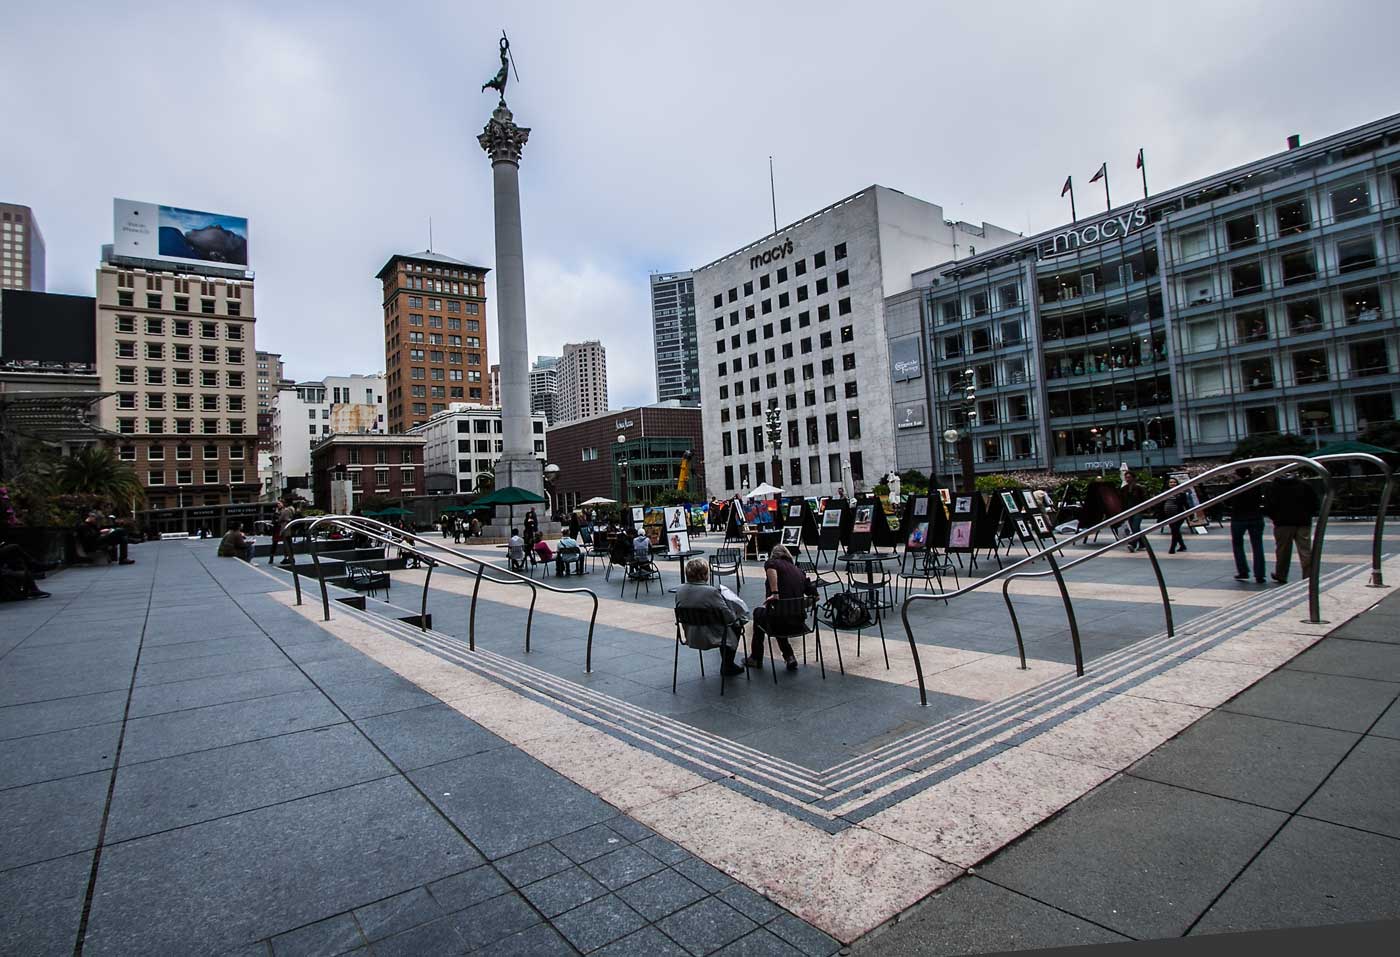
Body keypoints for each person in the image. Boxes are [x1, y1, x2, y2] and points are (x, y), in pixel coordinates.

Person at [746, 544, 817, 672]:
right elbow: (815, 596)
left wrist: (775, 593)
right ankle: (789, 656)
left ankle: (756, 658)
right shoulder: (799, 571)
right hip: (798, 623)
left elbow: (770, 567)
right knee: (777, 614)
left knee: (759, 613)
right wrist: (798, 604)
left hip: (778, 622)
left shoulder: (773, 563)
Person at [675, 558, 748, 676]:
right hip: (711, 635)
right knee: (736, 625)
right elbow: (728, 617)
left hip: (691, 635)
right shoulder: (711, 592)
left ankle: (727, 665)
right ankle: (727, 665)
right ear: (704, 574)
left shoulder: (680, 590)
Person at [1264, 472, 1319, 583]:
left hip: (1282, 523)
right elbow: (1314, 503)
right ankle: (1308, 575)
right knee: (1305, 550)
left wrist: (1275, 517)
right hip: (1303, 521)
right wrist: (1308, 514)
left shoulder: (1273, 487)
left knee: (1283, 551)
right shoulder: (1304, 485)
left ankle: (1281, 574)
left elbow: (1269, 506)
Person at [1227, 467, 1267, 583]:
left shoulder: (1234, 485)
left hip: (1238, 517)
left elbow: (1227, 501)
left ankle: (1243, 571)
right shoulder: (1256, 484)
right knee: (1257, 545)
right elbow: (1261, 499)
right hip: (1255, 516)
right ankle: (1260, 574)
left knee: (1238, 544)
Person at [1121, 471, 1149, 552]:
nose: (1127, 479)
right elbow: (1122, 501)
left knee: (1135, 527)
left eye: (1129, 477)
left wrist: (1145, 509)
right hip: (1128, 511)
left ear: (1133, 478)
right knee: (1135, 528)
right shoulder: (1124, 489)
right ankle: (1142, 543)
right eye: (1126, 477)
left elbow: (1144, 499)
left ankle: (1133, 544)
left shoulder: (1139, 488)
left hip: (1138, 510)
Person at [1165, 478, 1191, 554]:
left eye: (1174, 482)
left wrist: (1191, 514)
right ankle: (1182, 545)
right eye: (1171, 482)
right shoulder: (1165, 493)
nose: (1172, 484)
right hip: (1169, 515)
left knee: (1174, 530)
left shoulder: (1181, 493)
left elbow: (1186, 504)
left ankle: (1172, 547)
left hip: (1179, 515)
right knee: (1175, 531)